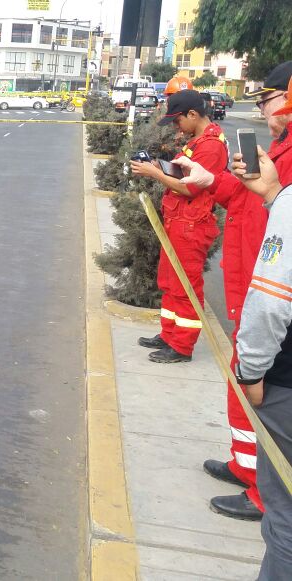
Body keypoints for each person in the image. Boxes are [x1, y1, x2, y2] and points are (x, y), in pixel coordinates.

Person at [176, 62, 292, 520]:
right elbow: (247, 198)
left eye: (266, 100)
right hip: (248, 275)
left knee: (262, 387)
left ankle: (265, 493)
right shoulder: (281, 148)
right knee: (246, 387)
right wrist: (216, 181)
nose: (262, 110)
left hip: (269, 287)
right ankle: (247, 468)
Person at [230, 142, 292, 578]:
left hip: (287, 387)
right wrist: (271, 193)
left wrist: (250, 370)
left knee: (286, 516)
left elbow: (270, 305)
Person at [130, 89, 228, 363]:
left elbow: (190, 190)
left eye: (177, 120)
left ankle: (181, 347)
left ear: (193, 115)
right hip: (179, 223)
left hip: (191, 226)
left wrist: (155, 173)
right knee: (170, 282)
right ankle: (169, 334)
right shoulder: (197, 140)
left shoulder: (210, 146)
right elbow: (183, 173)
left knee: (185, 286)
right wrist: (160, 166)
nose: (176, 126)